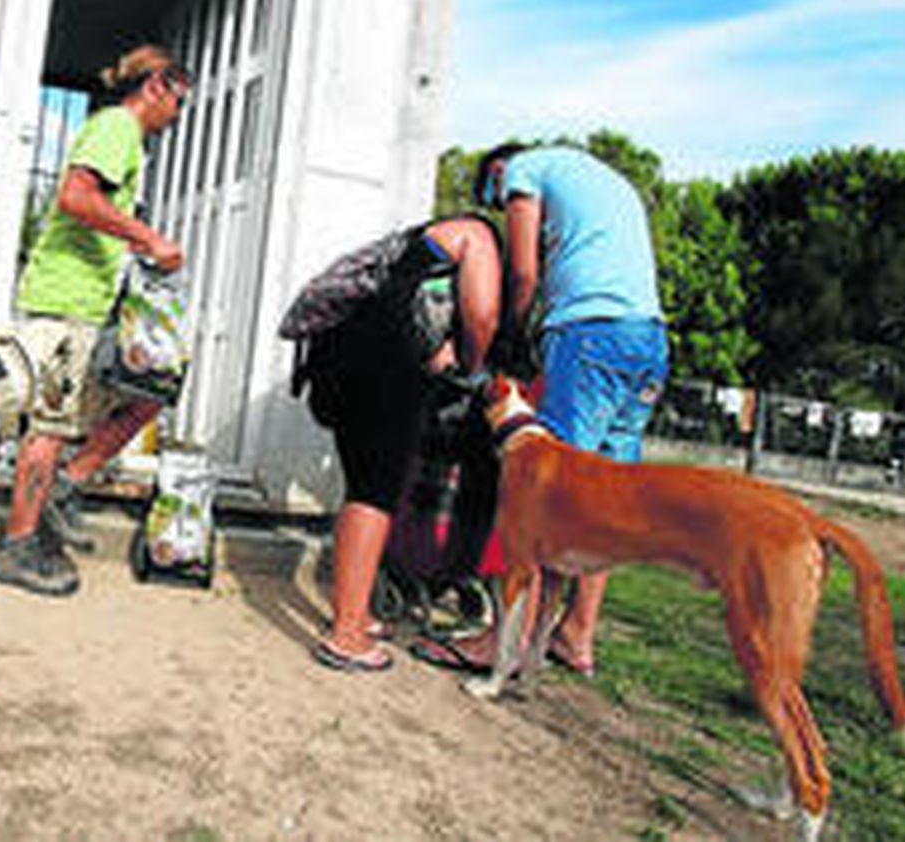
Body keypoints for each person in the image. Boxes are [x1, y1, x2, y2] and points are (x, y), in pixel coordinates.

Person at [0, 46, 192, 597]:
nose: (177, 116)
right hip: (65, 302)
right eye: (178, 102)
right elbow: (76, 197)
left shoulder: (126, 140)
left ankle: (64, 489)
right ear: (156, 87)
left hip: (93, 305)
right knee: (50, 423)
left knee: (148, 395)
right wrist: (147, 236)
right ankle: (18, 545)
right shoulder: (115, 128)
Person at [464, 142, 670, 676]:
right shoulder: (604, 180)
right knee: (604, 500)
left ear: (498, 171)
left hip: (590, 335)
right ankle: (576, 636)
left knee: (545, 494)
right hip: (647, 342)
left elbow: (524, 273)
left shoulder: (526, 170)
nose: (500, 203)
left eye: (494, 195)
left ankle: (505, 644)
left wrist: (508, 333)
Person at [281, 215, 507, 671]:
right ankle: (345, 637)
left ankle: (356, 612)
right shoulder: (478, 234)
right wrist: (473, 367)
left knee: (364, 483)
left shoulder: (411, 250)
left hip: (338, 354)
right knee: (375, 491)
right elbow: (482, 314)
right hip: (384, 359)